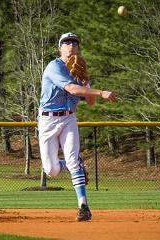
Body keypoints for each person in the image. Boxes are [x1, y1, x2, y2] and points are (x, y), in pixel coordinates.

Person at [38, 32, 116, 221]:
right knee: (52, 171)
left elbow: (89, 102)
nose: (70, 45)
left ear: (78, 48)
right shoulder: (54, 67)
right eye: (66, 42)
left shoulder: (79, 72)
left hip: (68, 119)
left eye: (74, 42)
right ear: (60, 48)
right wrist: (101, 92)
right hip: (48, 120)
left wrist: (84, 80)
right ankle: (74, 167)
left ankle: (83, 207)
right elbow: (72, 89)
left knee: (73, 159)